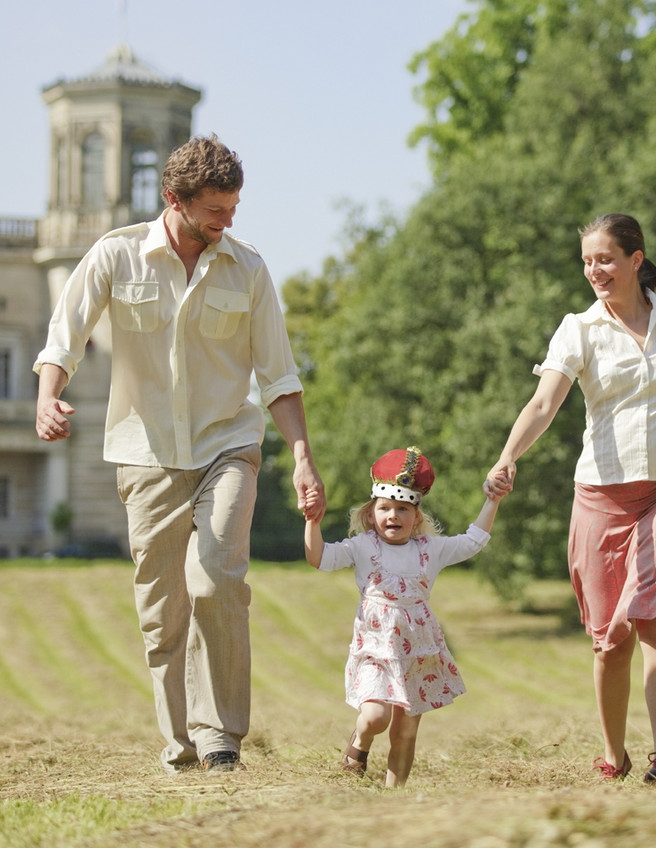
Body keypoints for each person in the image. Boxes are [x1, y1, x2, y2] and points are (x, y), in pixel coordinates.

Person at [34, 134, 326, 774]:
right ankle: (181, 744)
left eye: (234, 208)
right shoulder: (116, 255)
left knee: (217, 576)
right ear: (176, 200)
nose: (228, 222)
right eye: (216, 211)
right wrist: (48, 395)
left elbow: (278, 375)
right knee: (161, 612)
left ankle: (221, 737)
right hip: (146, 454)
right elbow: (66, 334)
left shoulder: (247, 267)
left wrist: (302, 456)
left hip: (228, 442)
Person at [484, 213, 656, 785]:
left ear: (636, 259)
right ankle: (615, 754)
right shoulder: (579, 330)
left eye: (606, 259)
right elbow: (544, 404)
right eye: (588, 261)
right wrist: (508, 455)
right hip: (602, 495)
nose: (595, 270)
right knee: (610, 642)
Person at [304, 446, 504, 787]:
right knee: (375, 717)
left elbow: (473, 541)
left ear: (416, 516)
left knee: (406, 730)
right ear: (370, 514)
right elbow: (319, 557)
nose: (392, 515)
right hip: (376, 651)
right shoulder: (363, 547)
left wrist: (493, 500)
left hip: (418, 652)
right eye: (384, 508)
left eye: (402, 509)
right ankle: (359, 744)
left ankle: (394, 795)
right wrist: (313, 521)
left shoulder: (431, 549)